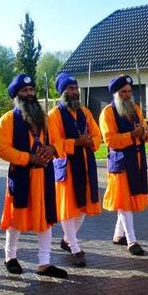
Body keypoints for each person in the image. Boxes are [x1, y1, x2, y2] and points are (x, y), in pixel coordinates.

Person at [0, 74, 68, 279]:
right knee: (15, 219)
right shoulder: (8, 119)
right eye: (24, 91)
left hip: (44, 176)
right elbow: (3, 149)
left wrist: (52, 148)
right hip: (21, 175)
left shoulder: (44, 119)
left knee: (45, 219)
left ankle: (44, 263)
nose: (29, 94)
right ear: (16, 95)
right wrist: (29, 158)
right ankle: (10, 257)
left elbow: (59, 141)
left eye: (31, 90)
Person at [48, 73, 102, 267]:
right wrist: (76, 142)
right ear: (62, 91)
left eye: (76, 88)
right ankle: (75, 247)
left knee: (83, 207)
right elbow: (55, 142)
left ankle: (67, 239)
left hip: (86, 163)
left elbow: (97, 135)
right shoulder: (54, 115)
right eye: (70, 88)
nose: (74, 91)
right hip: (67, 166)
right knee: (68, 208)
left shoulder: (85, 112)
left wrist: (90, 141)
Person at [98, 74, 148, 256]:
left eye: (129, 91)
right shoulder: (107, 113)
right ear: (115, 94)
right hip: (120, 163)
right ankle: (132, 240)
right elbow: (110, 140)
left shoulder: (136, 109)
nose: (128, 94)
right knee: (124, 202)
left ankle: (118, 235)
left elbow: (146, 131)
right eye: (123, 92)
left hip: (137, 160)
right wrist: (132, 135)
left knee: (127, 201)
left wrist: (143, 133)